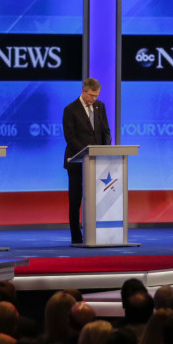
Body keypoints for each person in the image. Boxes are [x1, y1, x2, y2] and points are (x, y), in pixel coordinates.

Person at [63, 78, 111, 245]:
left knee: (98, 199)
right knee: (76, 200)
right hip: (76, 162)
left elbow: (105, 130)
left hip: (97, 162)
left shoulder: (100, 106)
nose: (94, 99)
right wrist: (86, 153)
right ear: (84, 91)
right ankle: (76, 237)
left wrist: (105, 151)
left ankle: (99, 233)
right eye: (91, 95)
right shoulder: (70, 109)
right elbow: (70, 137)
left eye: (96, 96)